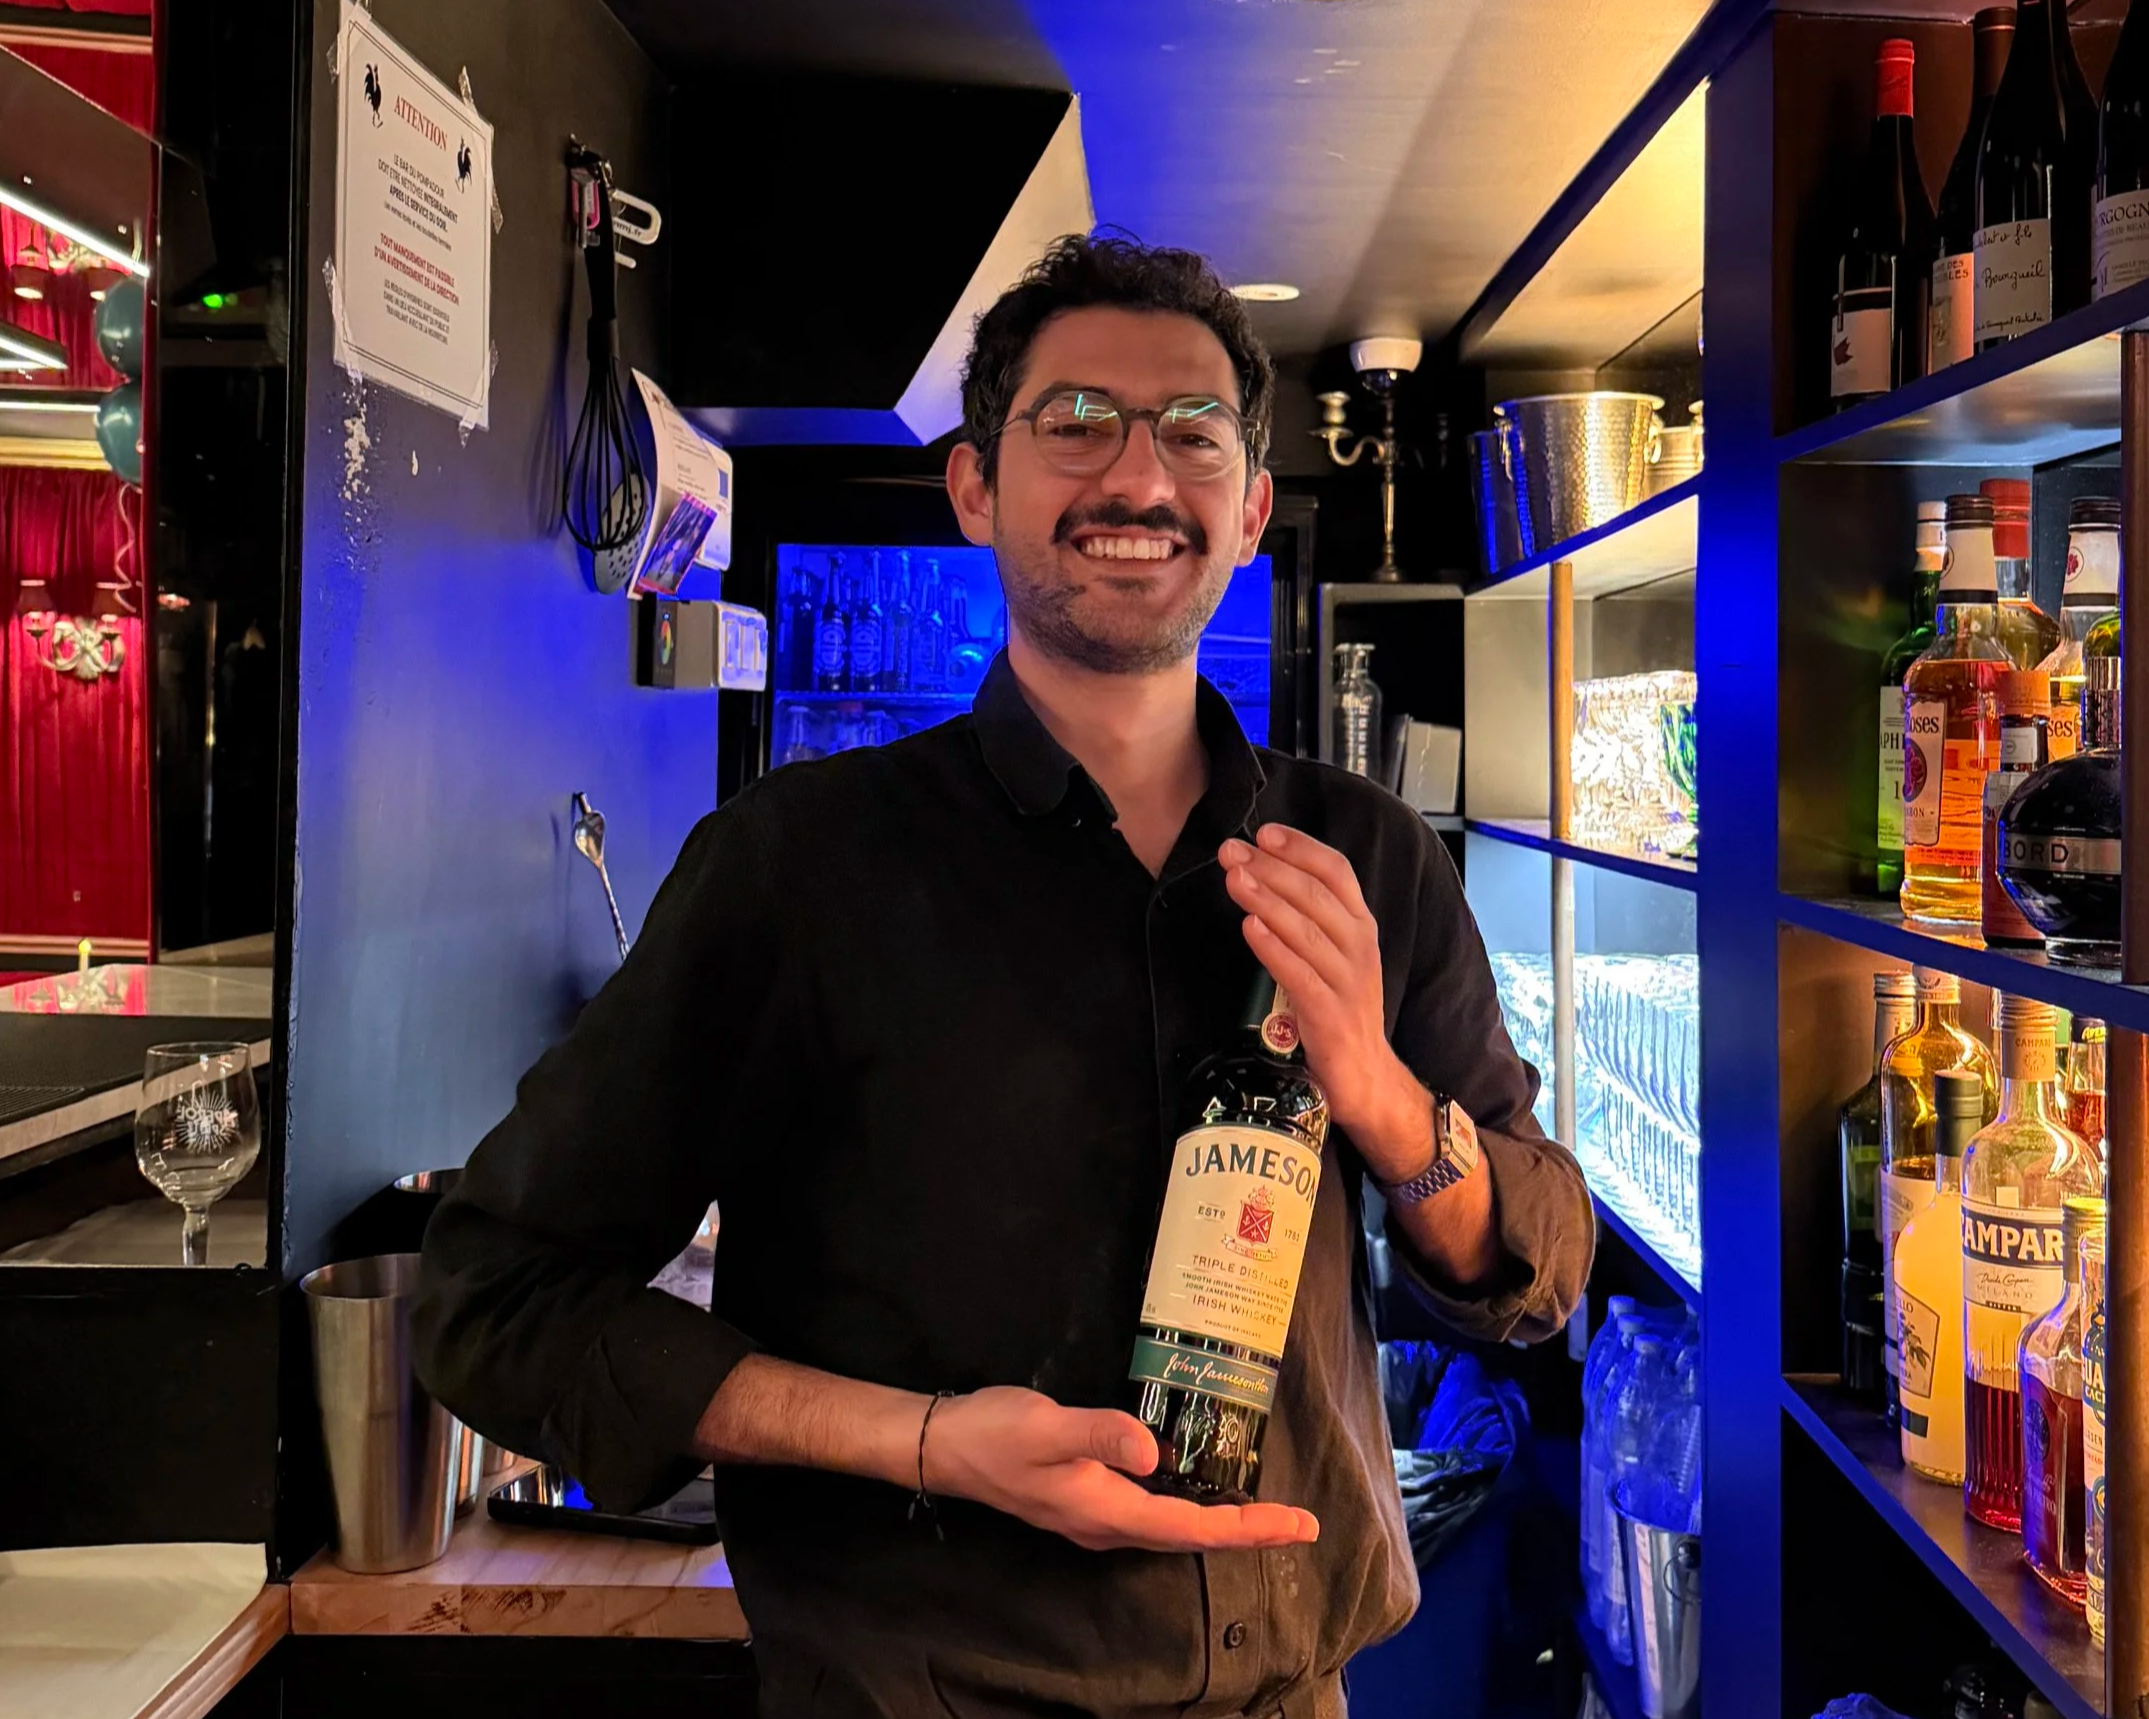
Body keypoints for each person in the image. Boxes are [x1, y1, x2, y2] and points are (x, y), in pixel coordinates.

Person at [416, 233, 1592, 1719]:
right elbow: (492, 1298)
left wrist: (1378, 1092)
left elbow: (1538, 1268)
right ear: (975, 487)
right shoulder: (798, 865)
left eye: (1194, 432)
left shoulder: (1367, 857)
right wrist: (920, 1440)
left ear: (1247, 511)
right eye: (1077, 420)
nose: (1139, 477)